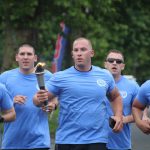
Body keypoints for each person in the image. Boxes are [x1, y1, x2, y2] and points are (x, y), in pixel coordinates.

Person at [33, 37, 123, 150]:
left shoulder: (104, 75)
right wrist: (39, 99)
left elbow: (115, 97)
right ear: (72, 54)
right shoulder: (61, 77)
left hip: (97, 140)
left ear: (92, 53)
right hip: (67, 140)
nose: (79, 53)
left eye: (83, 49)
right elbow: (37, 101)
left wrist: (118, 115)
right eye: (76, 50)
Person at [0, 43, 57, 149]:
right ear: (17, 57)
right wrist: (10, 101)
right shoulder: (4, 78)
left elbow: (54, 98)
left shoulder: (47, 76)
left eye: (29, 54)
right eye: (22, 54)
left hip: (39, 142)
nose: (25, 57)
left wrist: (52, 105)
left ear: (35, 58)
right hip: (11, 142)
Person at [104, 50, 139, 150]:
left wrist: (124, 119)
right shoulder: (97, 85)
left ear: (123, 66)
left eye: (118, 61)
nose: (114, 63)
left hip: (121, 144)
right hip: (96, 142)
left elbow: (140, 111)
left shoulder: (133, 86)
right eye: (111, 60)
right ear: (105, 64)